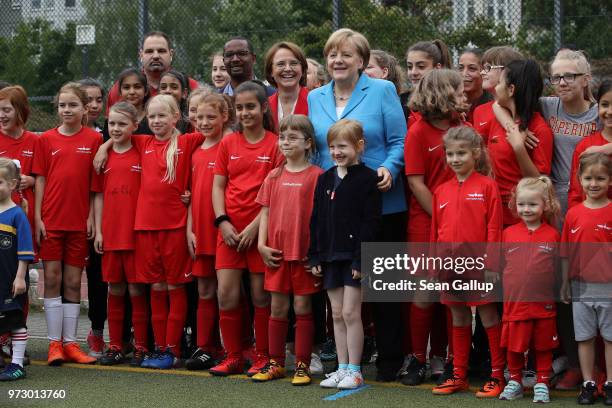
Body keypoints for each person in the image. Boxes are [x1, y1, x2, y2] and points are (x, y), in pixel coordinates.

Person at [308, 28, 407, 381]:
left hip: (382, 201)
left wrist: (389, 168)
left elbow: (399, 141)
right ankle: (349, 363)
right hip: (337, 208)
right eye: (333, 54)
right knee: (342, 295)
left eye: (346, 54)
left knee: (384, 288)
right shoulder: (314, 96)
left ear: (361, 61)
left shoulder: (382, 90)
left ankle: (391, 361)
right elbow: (320, 152)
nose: (338, 60)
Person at [95, 95, 205, 369]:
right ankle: (156, 348)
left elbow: (215, 134)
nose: (156, 121)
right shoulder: (142, 142)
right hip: (144, 229)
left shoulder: (187, 142)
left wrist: (193, 193)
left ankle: (173, 349)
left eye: (162, 116)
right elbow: (120, 133)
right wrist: (103, 147)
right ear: (145, 121)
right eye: (152, 117)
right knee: (155, 287)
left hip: (176, 227)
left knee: (175, 286)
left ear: (175, 117)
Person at [209, 81, 283, 376]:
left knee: (260, 296)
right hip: (228, 232)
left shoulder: (276, 144)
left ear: (264, 107)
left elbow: (274, 194)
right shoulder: (228, 143)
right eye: (239, 108)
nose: (245, 112)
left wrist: (256, 228)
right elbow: (218, 186)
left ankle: (264, 356)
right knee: (226, 295)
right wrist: (222, 221)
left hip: (260, 233)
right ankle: (234, 355)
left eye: (250, 106)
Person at [403, 69, 469, 386]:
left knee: (452, 292)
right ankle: (417, 358)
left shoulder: (463, 128)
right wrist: (443, 217)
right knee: (425, 291)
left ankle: (445, 357)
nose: (464, 94)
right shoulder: (418, 132)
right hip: (426, 223)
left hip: (458, 227)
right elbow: (415, 182)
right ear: (442, 94)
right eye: (458, 90)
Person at [430, 126, 506, 398]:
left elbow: (494, 229)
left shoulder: (487, 186)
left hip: (480, 268)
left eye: (461, 153)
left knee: (488, 317)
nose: (455, 159)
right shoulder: (441, 190)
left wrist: (491, 266)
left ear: (475, 154)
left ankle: (498, 376)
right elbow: (436, 232)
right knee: (459, 317)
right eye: (450, 154)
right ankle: (459, 374)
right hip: (450, 268)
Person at [33, 82, 102, 366]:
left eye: (72, 105)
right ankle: (54, 345)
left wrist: (90, 219)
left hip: (78, 223)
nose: (66, 110)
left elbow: (95, 187)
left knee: (74, 282)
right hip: (51, 221)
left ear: (85, 108)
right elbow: (40, 180)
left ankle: (71, 343)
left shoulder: (94, 140)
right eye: (62, 105)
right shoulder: (46, 139)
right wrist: (38, 217)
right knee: (52, 279)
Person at [309, 119, 381, 389]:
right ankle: (341, 367)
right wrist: (315, 255)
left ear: (359, 146)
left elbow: (370, 222)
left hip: (354, 258)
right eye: (332, 147)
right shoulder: (325, 178)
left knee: (352, 313)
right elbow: (316, 219)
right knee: (337, 313)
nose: (337, 152)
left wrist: (361, 259)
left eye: (343, 146)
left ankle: (355, 369)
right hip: (330, 257)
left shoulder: (368, 179)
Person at [250, 114, 322, 385]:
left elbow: (321, 218)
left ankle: (302, 364)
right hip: (276, 254)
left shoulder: (317, 176)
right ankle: (276, 363)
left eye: (293, 137)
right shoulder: (273, 175)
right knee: (277, 308)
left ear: (308, 143)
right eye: (282, 136)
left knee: (303, 306)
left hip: (302, 255)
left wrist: (315, 252)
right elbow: (265, 212)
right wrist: (261, 244)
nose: (285, 142)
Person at [93, 102, 149, 366]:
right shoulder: (102, 157)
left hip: (137, 233)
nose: (115, 128)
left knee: (137, 289)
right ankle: (115, 345)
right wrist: (100, 230)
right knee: (114, 288)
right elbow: (99, 195)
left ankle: (141, 346)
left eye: (122, 124)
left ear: (135, 126)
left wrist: (105, 144)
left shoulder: (142, 148)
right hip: (112, 233)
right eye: (111, 123)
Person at [498, 176, 561, 403]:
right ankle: (514, 381)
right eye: (522, 204)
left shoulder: (553, 234)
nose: (526, 209)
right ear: (515, 204)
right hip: (514, 303)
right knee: (514, 345)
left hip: (543, 303)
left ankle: (542, 382)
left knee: (543, 345)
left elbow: (558, 266)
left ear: (546, 205)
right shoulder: (508, 233)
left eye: (533, 204)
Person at [185, 93, 234, 370]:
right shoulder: (196, 149)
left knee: (229, 290)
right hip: (200, 230)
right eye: (199, 117)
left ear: (225, 116)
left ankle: (235, 346)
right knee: (205, 289)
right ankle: (206, 346)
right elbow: (191, 195)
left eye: (210, 117)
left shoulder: (229, 145)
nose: (203, 122)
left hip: (224, 228)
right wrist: (190, 229)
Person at [560, 152, 612, 405]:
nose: (594, 184)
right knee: (585, 338)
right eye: (589, 178)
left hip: (608, 287)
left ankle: (611, 383)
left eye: (601, 178)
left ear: (610, 181)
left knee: (611, 338)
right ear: (580, 179)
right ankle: (589, 383)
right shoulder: (573, 214)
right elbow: (565, 253)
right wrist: (564, 283)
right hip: (580, 287)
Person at [487, 59, 554, 226]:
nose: (495, 87)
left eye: (500, 82)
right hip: (494, 211)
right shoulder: (501, 118)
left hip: (521, 217)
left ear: (511, 89)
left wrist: (518, 148)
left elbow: (539, 182)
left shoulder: (540, 130)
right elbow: (496, 105)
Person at [77, 77, 109, 358]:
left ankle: (102, 333)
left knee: (101, 277)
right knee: (69, 279)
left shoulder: (108, 133)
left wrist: (106, 145)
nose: (95, 105)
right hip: (73, 217)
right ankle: (62, 338)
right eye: (88, 100)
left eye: (99, 99)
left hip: (105, 217)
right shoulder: (55, 136)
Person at [106, 31, 199, 113]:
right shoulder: (122, 88)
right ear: (141, 55)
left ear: (171, 54)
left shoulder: (190, 85)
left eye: (161, 51)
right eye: (149, 51)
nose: (155, 56)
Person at [0, 158, 34, 381]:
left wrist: (20, 277)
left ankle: (17, 364)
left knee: (15, 323)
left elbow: (25, 250)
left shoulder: (17, 215)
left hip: (11, 280)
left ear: (12, 184)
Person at [568, 79, 612, 209]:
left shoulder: (599, 148)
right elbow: (575, 193)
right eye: (605, 104)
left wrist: (607, 148)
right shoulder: (586, 146)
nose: (609, 111)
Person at [0, 86, 36, 237]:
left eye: (6, 110)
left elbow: (42, 178)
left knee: (23, 256)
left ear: (20, 111)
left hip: (25, 212)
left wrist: (30, 180)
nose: (1, 115)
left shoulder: (35, 140)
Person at [473, 46, 524, 142]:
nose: (482, 72)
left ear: (507, 71)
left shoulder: (522, 111)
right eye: (482, 68)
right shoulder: (479, 111)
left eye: (488, 68)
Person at [405, 40, 452, 127]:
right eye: (410, 67)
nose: (413, 72)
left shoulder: (453, 102)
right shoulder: (402, 101)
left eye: (421, 67)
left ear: (437, 68)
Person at [264, 42, 309, 132]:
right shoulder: (265, 106)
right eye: (281, 64)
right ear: (271, 71)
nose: (288, 69)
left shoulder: (315, 101)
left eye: (293, 63)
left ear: (302, 69)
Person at [103, 68, 152, 138]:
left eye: (137, 87)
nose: (132, 92)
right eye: (126, 87)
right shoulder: (111, 119)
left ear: (146, 91)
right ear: (120, 92)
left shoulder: (152, 118)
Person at [456, 49, 493, 124]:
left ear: (484, 71)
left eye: (472, 68)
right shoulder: (449, 106)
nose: (464, 74)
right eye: (461, 68)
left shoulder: (494, 107)